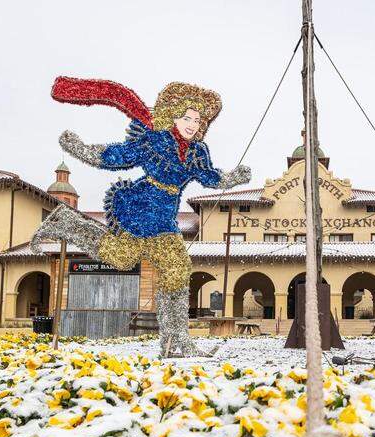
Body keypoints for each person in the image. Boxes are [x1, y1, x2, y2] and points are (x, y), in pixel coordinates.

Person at [32, 77, 250, 357]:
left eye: (197, 120)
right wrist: (81, 149)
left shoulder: (197, 151)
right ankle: (67, 224)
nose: (192, 124)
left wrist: (232, 178)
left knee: (175, 268)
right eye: (187, 117)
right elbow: (118, 155)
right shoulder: (154, 141)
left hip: (165, 219)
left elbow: (209, 176)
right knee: (126, 258)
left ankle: (176, 342)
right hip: (138, 207)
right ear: (173, 116)